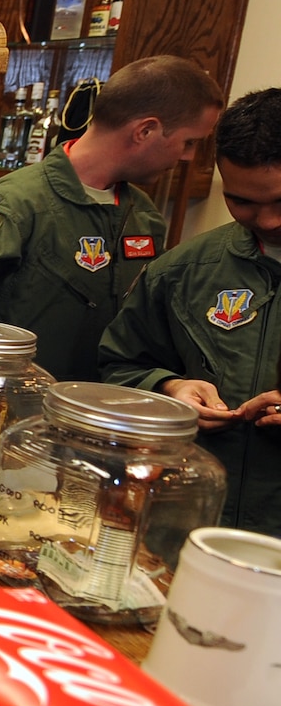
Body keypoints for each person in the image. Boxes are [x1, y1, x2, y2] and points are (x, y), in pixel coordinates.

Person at [0, 55, 224, 381]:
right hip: (7, 413)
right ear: (146, 130)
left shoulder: (144, 217)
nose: (188, 157)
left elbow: (141, 339)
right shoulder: (18, 204)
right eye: (189, 143)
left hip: (92, 414)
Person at [101, 86, 281, 529]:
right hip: (191, 526)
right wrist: (171, 388)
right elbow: (121, 365)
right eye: (242, 202)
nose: (268, 221)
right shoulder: (183, 271)